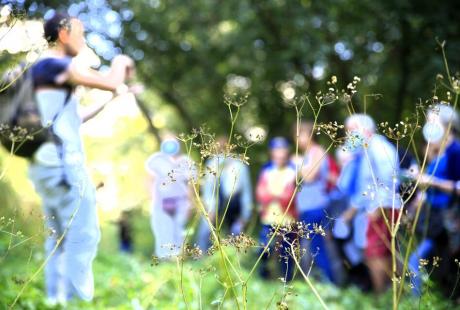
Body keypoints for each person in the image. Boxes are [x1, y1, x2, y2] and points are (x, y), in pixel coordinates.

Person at [27, 13, 134, 304]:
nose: (84, 39)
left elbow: (75, 119)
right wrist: (122, 63)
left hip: (46, 165)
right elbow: (112, 81)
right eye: (81, 32)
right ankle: (76, 302)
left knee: (59, 237)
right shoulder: (56, 64)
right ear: (63, 33)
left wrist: (110, 99)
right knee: (83, 235)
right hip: (63, 165)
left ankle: (55, 300)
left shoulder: (46, 73)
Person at [338, 114, 401, 293]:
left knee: (377, 254)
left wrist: (379, 208)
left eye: (351, 131)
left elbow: (389, 180)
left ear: (364, 129)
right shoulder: (365, 151)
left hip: (383, 209)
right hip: (373, 209)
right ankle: (388, 293)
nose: (349, 135)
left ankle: (381, 296)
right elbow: (364, 186)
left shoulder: (379, 147)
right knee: (376, 254)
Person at [409, 104, 460, 296]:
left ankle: (417, 304)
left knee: (417, 260)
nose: (428, 126)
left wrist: (431, 181)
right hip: (434, 220)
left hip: (449, 220)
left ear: (447, 125)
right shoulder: (438, 151)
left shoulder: (456, 152)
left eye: (432, 121)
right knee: (441, 266)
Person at [292, 121, 334, 282]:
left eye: (300, 134)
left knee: (318, 248)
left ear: (309, 135)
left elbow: (309, 177)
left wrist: (297, 163)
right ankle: (320, 284)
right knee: (310, 248)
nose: (297, 139)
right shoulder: (308, 154)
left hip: (316, 208)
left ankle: (330, 285)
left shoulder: (316, 152)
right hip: (307, 209)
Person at [197, 136, 253, 250]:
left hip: (234, 206)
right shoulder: (212, 163)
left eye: (225, 146)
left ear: (231, 147)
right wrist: (210, 208)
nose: (222, 149)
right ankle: (201, 260)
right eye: (219, 147)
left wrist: (245, 215)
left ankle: (234, 261)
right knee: (204, 233)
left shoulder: (240, 164)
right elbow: (208, 189)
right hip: (215, 205)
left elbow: (246, 191)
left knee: (235, 236)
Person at [145, 136, 195, 259]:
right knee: (163, 230)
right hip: (161, 202)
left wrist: (190, 203)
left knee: (178, 230)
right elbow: (149, 180)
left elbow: (191, 184)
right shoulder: (156, 160)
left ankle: (178, 260)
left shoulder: (185, 161)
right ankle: (164, 259)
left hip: (180, 202)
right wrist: (152, 197)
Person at [256, 137, 297, 281]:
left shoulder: (293, 170)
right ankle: (263, 277)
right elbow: (261, 194)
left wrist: (275, 195)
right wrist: (278, 195)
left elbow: (290, 196)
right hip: (269, 217)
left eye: (283, 150)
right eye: (276, 150)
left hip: (288, 218)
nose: (280, 153)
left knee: (287, 251)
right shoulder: (266, 170)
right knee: (264, 248)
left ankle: (287, 279)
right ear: (271, 152)